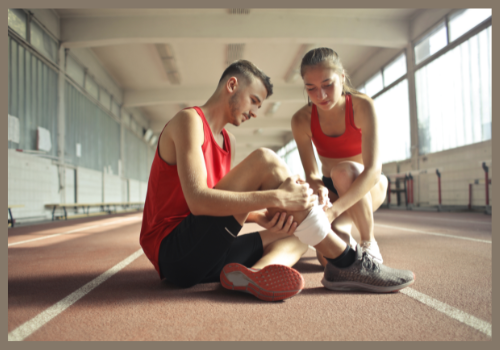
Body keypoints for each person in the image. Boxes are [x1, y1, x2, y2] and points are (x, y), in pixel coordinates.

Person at [140, 59, 414, 302]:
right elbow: (199, 202)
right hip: (175, 254)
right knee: (264, 160)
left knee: (297, 230)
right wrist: (276, 198)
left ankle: (256, 274)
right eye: (254, 101)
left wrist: (261, 216)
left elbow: (218, 208)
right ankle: (346, 261)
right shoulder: (189, 121)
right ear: (232, 85)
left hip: (205, 257)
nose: (255, 113)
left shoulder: (229, 142)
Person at [291, 47, 389, 266]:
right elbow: (313, 174)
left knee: (343, 171)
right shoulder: (301, 120)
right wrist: (319, 189)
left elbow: (373, 171)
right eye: (311, 88)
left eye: (328, 85)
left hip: (367, 185)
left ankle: (368, 242)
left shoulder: (363, 107)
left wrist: (334, 212)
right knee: (328, 261)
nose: (321, 95)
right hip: (333, 191)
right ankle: (346, 232)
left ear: (342, 77)